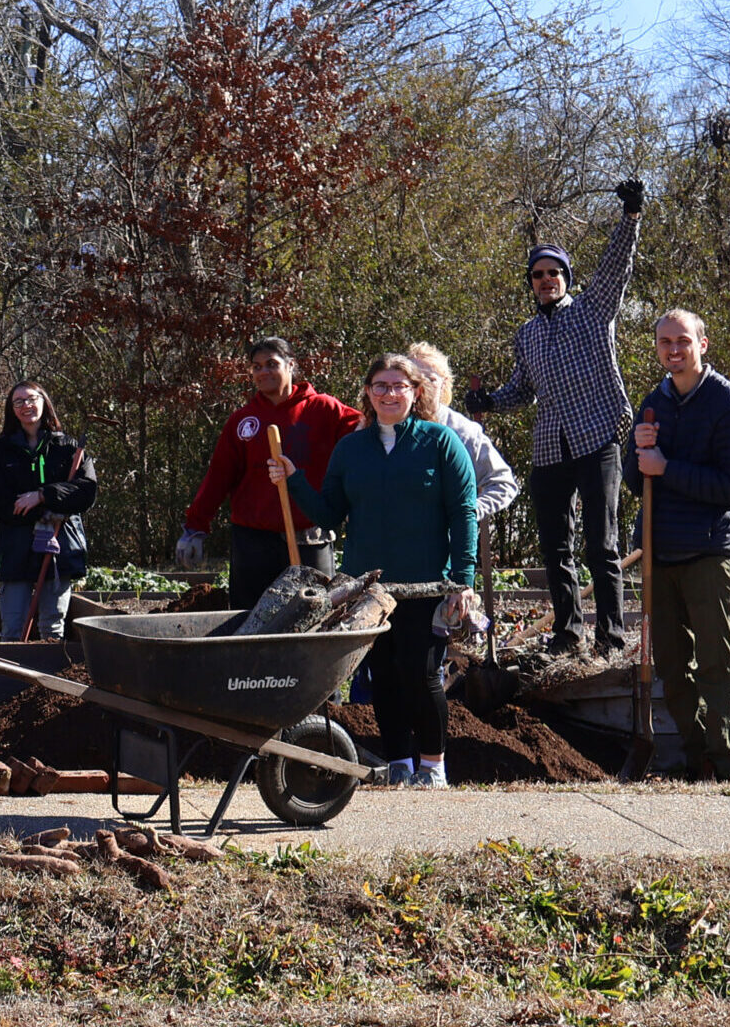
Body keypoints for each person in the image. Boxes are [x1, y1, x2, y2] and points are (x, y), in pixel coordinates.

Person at [270, 355, 479, 788]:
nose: (388, 393)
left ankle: (433, 766)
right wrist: (293, 480)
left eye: (399, 386)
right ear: (367, 393)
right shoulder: (351, 449)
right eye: (380, 386)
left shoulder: (441, 443)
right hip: (369, 587)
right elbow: (330, 513)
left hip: (424, 585)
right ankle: (400, 762)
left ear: (416, 393)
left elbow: (463, 516)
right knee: (382, 675)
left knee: (422, 675)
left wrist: (463, 581)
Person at [466, 180, 647, 656]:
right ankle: (568, 634)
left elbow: (615, 267)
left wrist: (630, 217)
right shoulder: (526, 334)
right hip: (551, 446)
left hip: (597, 438)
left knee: (601, 547)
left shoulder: (592, 310)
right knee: (554, 549)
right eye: (538, 275)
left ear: (566, 277)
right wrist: (486, 402)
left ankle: (610, 636)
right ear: (531, 283)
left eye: (554, 272)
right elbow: (522, 390)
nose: (546, 280)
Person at [623, 309, 730, 781]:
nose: (673, 350)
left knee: (718, 662)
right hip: (658, 554)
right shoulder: (653, 403)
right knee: (672, 666)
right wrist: (637, 454)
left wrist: (666, 468)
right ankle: (693, 754)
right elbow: (632, 479)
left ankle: (721, 766)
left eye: (682, 340)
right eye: (665, 342)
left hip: (709, 553)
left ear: (703, 344)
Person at [177, 337, 360, 612]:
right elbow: (219, 476)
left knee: (315, 616)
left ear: (291, 365)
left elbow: (368, 433)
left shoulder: (324, 409)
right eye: (256, 366)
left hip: (309, 537)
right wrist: (195, 527)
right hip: (253, 542)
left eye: (272, 364)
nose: (263, 372)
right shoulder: (243, 420)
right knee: (251, 617)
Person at [0, 382, 97, 642]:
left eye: (31, 399)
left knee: (52, 630)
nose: (26, 406)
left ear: (44, 402)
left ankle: (48, 682)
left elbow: (86, 491)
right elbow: (1, 502)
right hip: (16, 549)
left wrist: (43, 496)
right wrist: (46, 513)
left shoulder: (68, 447)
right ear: (11, 410)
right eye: (18, 401)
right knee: (12, 630)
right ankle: (9, 681)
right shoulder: (2, 451)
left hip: (58, 549)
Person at [404, 344, 519, 523]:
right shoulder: (384, 424)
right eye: (415, 380)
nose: (423, 387)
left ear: (444, 383)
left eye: (431, 379)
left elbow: (503, 483)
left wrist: (466, 513)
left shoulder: (462, 431)